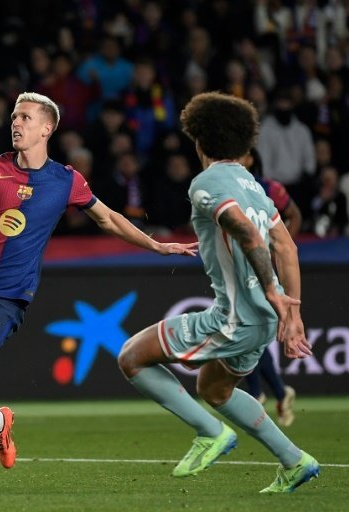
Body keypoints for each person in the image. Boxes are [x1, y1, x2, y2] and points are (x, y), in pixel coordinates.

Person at [0, 92, 198, 486]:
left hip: (9, 296)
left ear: (47, 128)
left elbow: (109, 219)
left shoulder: (66, 180)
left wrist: (157, 245)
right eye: (14, 116)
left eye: (25, 118)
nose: (16, 123)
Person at [117, 92, 319, 494]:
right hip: (263, 319)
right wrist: (290, 313)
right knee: (214, 388)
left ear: (198, 141)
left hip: (236, 317)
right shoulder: (254, 185)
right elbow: (287, 247)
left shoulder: (206, 183)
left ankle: (210, 432)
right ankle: (296, 461)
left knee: (131, 358)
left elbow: (243, 231)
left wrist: (272, 293)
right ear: (244, 143)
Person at [239, 148, 301, 427]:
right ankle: (274, 391)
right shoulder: (229, 184)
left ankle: (258, 392)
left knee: (248, 328)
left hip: (265, 268)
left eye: (242, 155)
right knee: (249, 329)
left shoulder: (268, 188)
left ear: (252, 158)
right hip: (242, 265)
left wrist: (281, 248)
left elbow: (294, 216)